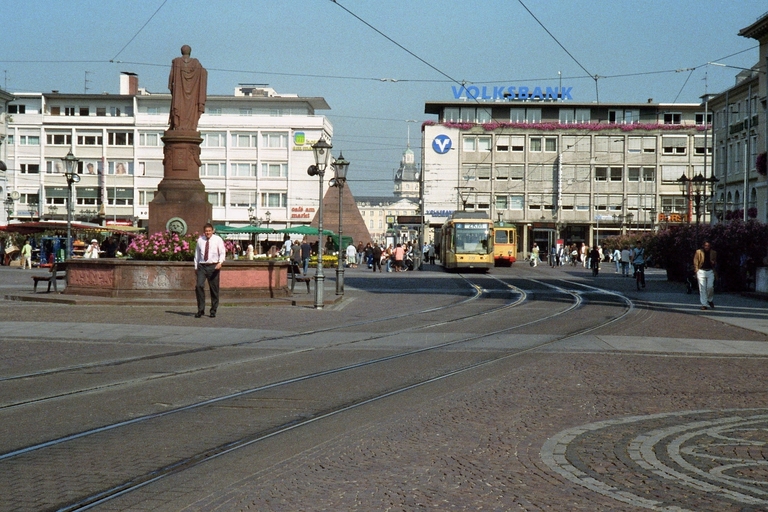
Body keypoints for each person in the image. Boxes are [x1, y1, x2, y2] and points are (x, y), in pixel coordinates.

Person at [168, 45, 207, 131]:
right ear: (190, 52)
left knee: (178, 107)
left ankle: (177, 125)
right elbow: (203, 72)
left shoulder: (177, 61)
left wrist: (171, 86)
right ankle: (191, 126)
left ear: (181, 52)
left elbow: (171, 77)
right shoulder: (196, 63)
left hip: (179, 94)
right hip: (193, 95)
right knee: (192, 108)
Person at [194, 223, 226, 318]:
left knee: (214, 289)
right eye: (206, 231)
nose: (208, 233)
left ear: (212, 231)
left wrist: (220, 262)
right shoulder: (200, 240)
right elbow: (197, 254)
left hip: (213, 266)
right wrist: (196, 266)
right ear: (204, 232)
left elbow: (222, 252)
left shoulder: (218, 239)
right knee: (199, 286)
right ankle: (201, 310)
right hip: (202, 266)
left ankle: (213, 310)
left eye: (209, 231)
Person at [693, 240, 717, 310]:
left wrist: (713, 262)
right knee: (702, 288)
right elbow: (695, 261)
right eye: (705, 245)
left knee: (710, 287)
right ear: (703, 246)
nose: (707, 247)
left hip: (710, 271)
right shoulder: (698, 252)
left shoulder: (713, 252)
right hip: (701, 271)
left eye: (708, 246)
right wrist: (696, 270)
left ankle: (709, 299)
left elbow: (715, 262)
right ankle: (704, 304)